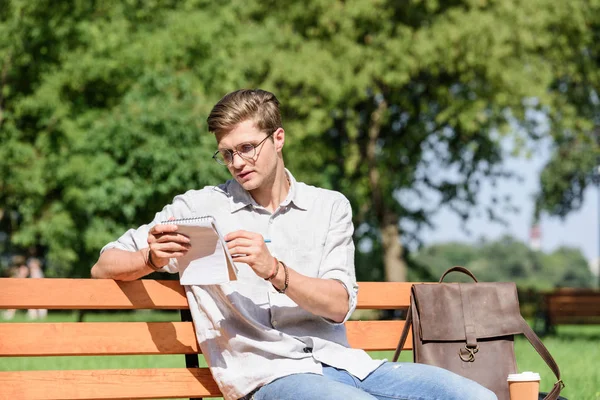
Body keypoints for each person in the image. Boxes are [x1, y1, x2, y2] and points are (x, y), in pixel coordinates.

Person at [92, 89, 497, 400]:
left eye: (247, 148)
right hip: (265, 374)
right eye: (226, 154)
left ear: (278, 138)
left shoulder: (329, 207)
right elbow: (103, 265)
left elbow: (339, 304)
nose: (237, 163)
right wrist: (149, 257)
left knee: (477, 396)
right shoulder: (200, 207)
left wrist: (275, 270)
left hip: (342, 364)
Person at [3, 255, 29, 320]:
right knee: (12, 301)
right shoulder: (20, 268)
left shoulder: (23, 268)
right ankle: (10, 313)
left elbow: (22, 277)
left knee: (13, 301)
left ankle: (10, 314)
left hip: (21, 288)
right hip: (18, 288)